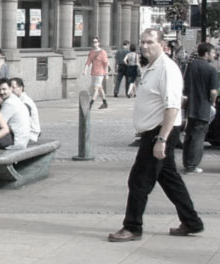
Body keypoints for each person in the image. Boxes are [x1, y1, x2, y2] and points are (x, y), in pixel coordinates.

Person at [108, 29, 204, 242]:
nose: (145, 46)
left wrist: (162, 139)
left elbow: (172, 107)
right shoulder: (152, 67)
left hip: (159, 131)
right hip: (153, 131)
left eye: (150, 42)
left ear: (162, 45)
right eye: (142, 42)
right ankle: (192, 221)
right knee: (169, 178)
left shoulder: (166, 69)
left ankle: (132, 227)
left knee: (138, 180)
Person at [181, 43, 218, 174]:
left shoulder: (190, 66)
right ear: (206, 54)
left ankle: (187, 162)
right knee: (198, 136)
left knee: (189, 135)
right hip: (203, 106)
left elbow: (183, 83)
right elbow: (213, 91)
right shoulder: (211, 70)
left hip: (190, 105)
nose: (215, 55)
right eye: (213, 53)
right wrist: (213, 102)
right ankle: (192, 165)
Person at [0, 78, 31, 150]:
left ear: (10, 88)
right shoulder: (14, 99)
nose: (1, 92)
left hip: (15, 142)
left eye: (4, 89)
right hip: (22, 140)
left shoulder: (9, 103)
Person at [10, 78, 40, 143]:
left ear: (21, 88)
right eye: (10, 88)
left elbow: (21, 121)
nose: (11, 90)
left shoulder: (25, 102)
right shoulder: (17, 100)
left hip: (30, 136)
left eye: (13, 87)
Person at [84, 36, 110, 109]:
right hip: (94, 72)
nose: (94, 43)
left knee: (96, 88)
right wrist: (85, 70)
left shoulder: (103, 52)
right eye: (93, 42)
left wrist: (106, 74)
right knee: (100, 88)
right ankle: (105, 103)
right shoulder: (91, 52)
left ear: (99, 43)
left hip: (100, 73)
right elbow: (88, 62)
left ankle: (90, 104)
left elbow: (106, 64)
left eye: (95, 42)